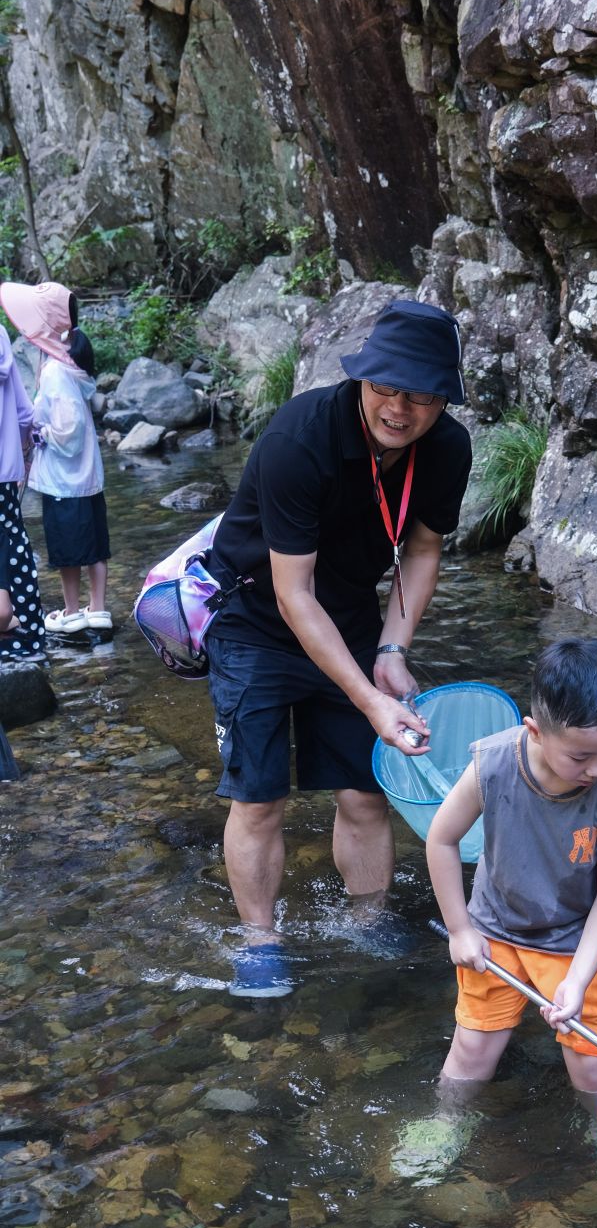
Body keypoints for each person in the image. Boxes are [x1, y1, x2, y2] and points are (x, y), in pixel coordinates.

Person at [204, 299, 472, 994]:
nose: (398, 407)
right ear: (361, 378)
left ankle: (368, 916)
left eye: (419, 394)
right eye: (385, 386)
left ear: (444, 396)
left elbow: (422, 548)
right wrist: (372, 702)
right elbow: (294, 595)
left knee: (364, 789)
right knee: (260, 797)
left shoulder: (447, 449)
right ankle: (259, 939)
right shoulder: (302, 439)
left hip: (350, 618)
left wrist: (391, 649)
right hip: (258, 619)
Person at [427, 638, 597, 1099]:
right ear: (536, 731)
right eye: (582, 757)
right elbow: (441, 839)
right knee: (471, 1051)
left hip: (580, 939)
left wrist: (578, 980)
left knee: (591, 1068)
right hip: (496, 930)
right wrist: (459, 930)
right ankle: (445, 1126)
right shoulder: (493, 765)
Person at [0, 282, 111, 635]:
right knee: (95, 548)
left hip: (64, 481)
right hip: (89, 478)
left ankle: (71, 611)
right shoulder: (73, 367)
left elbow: (68, 429)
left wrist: (39, 434)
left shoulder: (54, 372)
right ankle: (99, 609)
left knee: (67, 552)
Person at [0, 321, 44, 664]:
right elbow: (24, 413)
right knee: (12, 546)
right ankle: (26, 637)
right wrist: (25, 450)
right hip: (3, 473)